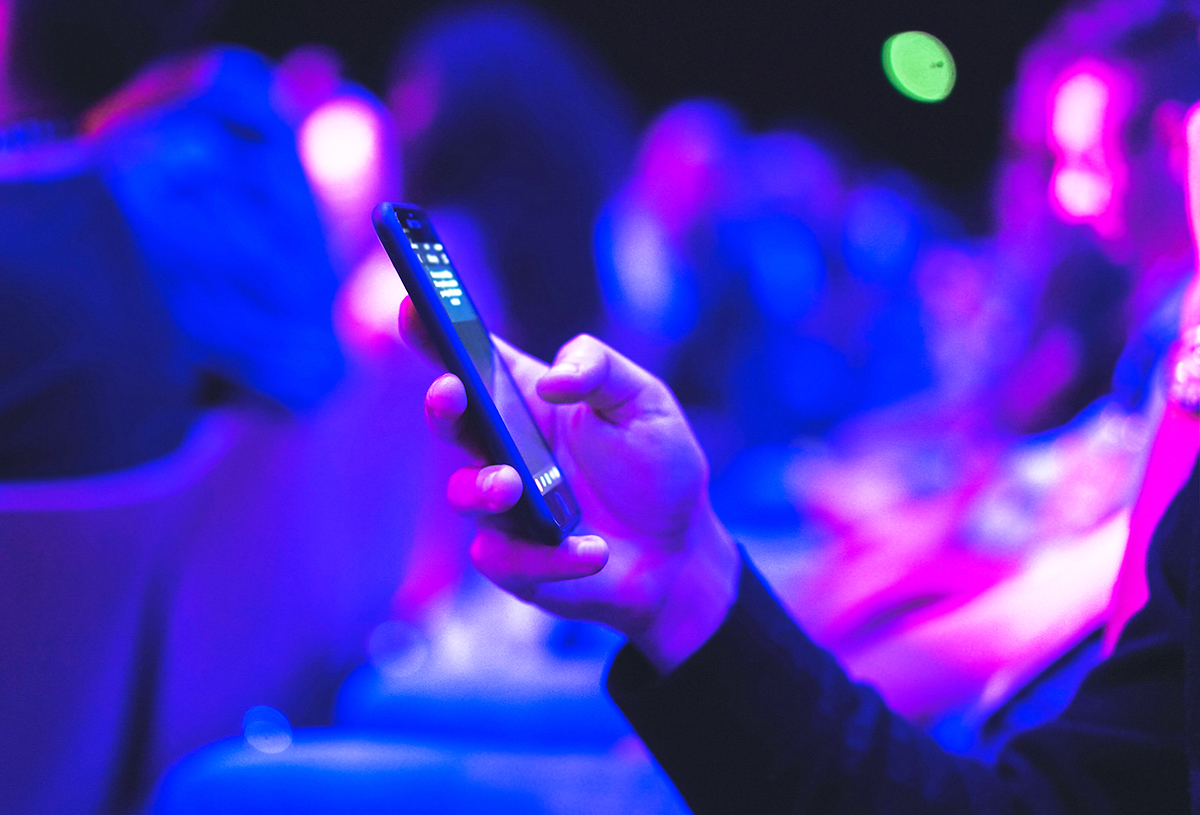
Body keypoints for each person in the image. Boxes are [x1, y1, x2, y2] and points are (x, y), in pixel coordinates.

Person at [397, 80, 1200, 812]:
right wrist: (691, 586)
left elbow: (1011, 595)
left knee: (362, 715)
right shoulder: (1146, 336)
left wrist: (782, 640)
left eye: (1080, 160)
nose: (1058, 196)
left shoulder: (1155, 344)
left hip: (922, 723)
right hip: (892, 729)